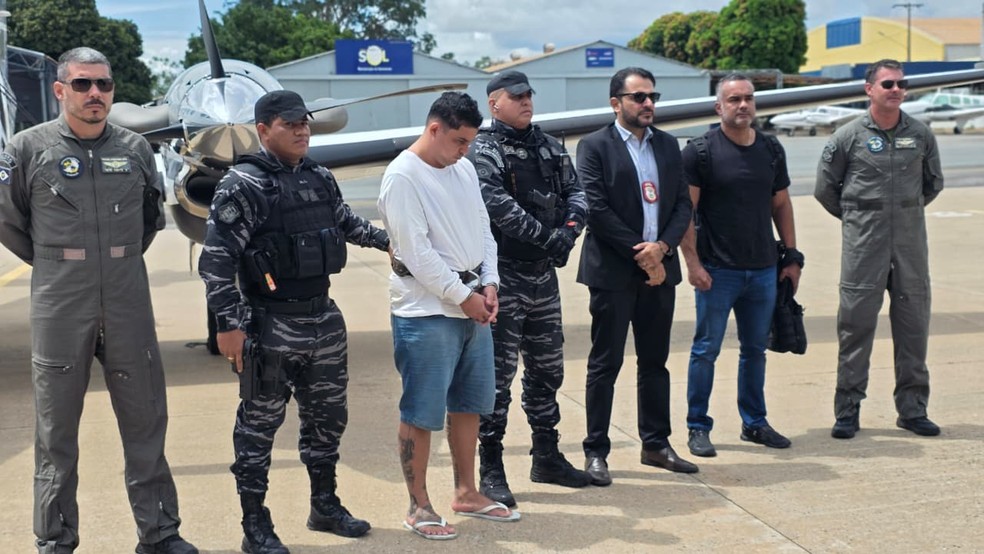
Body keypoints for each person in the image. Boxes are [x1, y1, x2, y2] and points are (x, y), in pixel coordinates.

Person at [0, 47, 198, 554]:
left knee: (146, 419)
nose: (95, 94)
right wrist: (59, 262)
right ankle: (55, 539)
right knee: (55, 430)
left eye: (104, 85)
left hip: (128, 299)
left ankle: (160, 534)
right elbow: (8, 220)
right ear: (60, 90)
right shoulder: (27, 148)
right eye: (83, 84)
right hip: (60, 303)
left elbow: (150, 220)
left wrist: (113, 263)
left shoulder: (135, 149)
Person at [199, 90, 388, 553]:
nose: (302, 130)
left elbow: (345, 223)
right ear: (264, 130)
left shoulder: (319, 177)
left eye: (304, 122)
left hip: (323, 318)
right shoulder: (243, 184)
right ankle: (255, 525)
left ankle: (325, 505)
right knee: (258, 429)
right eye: (290, 124)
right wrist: (228, 325)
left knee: (328, 421)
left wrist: (390, 243)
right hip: (269, 324)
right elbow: (217, 261)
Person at [378, 92, 519, 541]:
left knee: (470, 404)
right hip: (425, 312)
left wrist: (490, 283)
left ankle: (466, 492)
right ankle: (418, 505)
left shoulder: (464, 169)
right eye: (459, 141)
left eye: (470, 142)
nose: (465, 150)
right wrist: (463, 296)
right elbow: (416, 252)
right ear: (434, 128)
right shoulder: (402, 176)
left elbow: (484, 230)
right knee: (421, 410)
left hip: (471, 302)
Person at [465, 70, 592, 507]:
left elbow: (577, 194)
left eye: (528, 96)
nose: (526, 102)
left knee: (548, 371)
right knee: (497, 378)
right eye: (516, 96)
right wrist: (548, 238)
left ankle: (547, 455)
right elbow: (496, 205)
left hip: (542, 278)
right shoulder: (485, 149)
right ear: (494, 103)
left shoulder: (549, 145)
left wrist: (569, 232)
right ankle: (491, 466)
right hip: (503, 277)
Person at [575, 67, 696, 486]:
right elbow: (596, 208)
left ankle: (656, 445)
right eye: (639, 97)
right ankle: (596, 451)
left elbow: (682, 205)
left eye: (652, 97)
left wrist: (662, 248)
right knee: (605, 363)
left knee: (655, 362)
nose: (648, 104)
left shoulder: (668, 145)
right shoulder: (594, 146)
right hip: (613, 272)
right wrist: (643, 254)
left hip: (660, 271)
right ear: (616, 103)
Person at [815, 59, 944, 439]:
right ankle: (848, 411)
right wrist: (860, 218)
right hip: (864, 248)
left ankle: (913, 409)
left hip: (909, 249)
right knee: (855, 328)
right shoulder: (847, 137)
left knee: (913, 328)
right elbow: (825, 189)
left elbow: (933, 185)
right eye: (888, 84)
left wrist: (899, 215)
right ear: (869, 89)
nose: (896, 90)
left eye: (901, 84)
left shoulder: (920, 135)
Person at [679, 74, 802, 458]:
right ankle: (698, 426)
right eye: (734, 99)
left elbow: (781, 204)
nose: (743, 105)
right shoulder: (700, 152)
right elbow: (685, 213)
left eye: (748, 98)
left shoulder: (770, 149)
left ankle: (754, 422)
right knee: (706, 350)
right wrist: (693, 264)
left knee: (755, 351)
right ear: (719, 107)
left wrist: (792, 257)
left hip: (763, 270)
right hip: (717, 271)